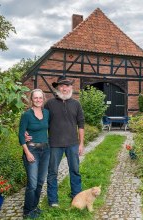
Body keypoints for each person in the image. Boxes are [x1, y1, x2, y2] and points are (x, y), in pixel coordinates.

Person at [45, 76, 85, 207]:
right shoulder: (49, 104)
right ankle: (53, 200)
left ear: (71, 88)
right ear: (57, 88)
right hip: (54, 145)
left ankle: (76, 196)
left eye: (67, 86)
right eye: (62, 86)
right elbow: (41, 121)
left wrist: (81, 143)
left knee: (75, 171)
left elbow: (81, 124)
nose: (64, 88)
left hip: (72, 144)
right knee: (52, 173)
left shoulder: (76, 104)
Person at [19, 89, 50, 219]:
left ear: (43, 99)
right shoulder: (27, 115)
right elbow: (21, 135)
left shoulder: (46, 113)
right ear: (31, 99)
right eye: (35, 98)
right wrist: (27, 152)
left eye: (40, 98)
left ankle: (34, 207)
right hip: (32, 150)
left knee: (40, 181)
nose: (38, 100)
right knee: (32, 183)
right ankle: (27, 211)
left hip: (46, 150)